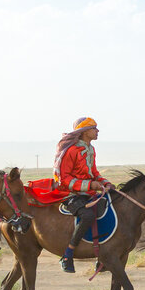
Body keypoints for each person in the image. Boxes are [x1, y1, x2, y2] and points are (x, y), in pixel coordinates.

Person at [54, 116, 113, 273]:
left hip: (87, 193)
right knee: (87, 216)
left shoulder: (90, 149)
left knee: (109, 208)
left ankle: (102, 256)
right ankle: (68, 254)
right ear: (85, 131)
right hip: (70, 194)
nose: (97, 130)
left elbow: (93, 173)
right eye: (94, 128)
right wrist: (90, 185)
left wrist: (105, 182)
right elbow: (64, 179)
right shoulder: (71, 151)